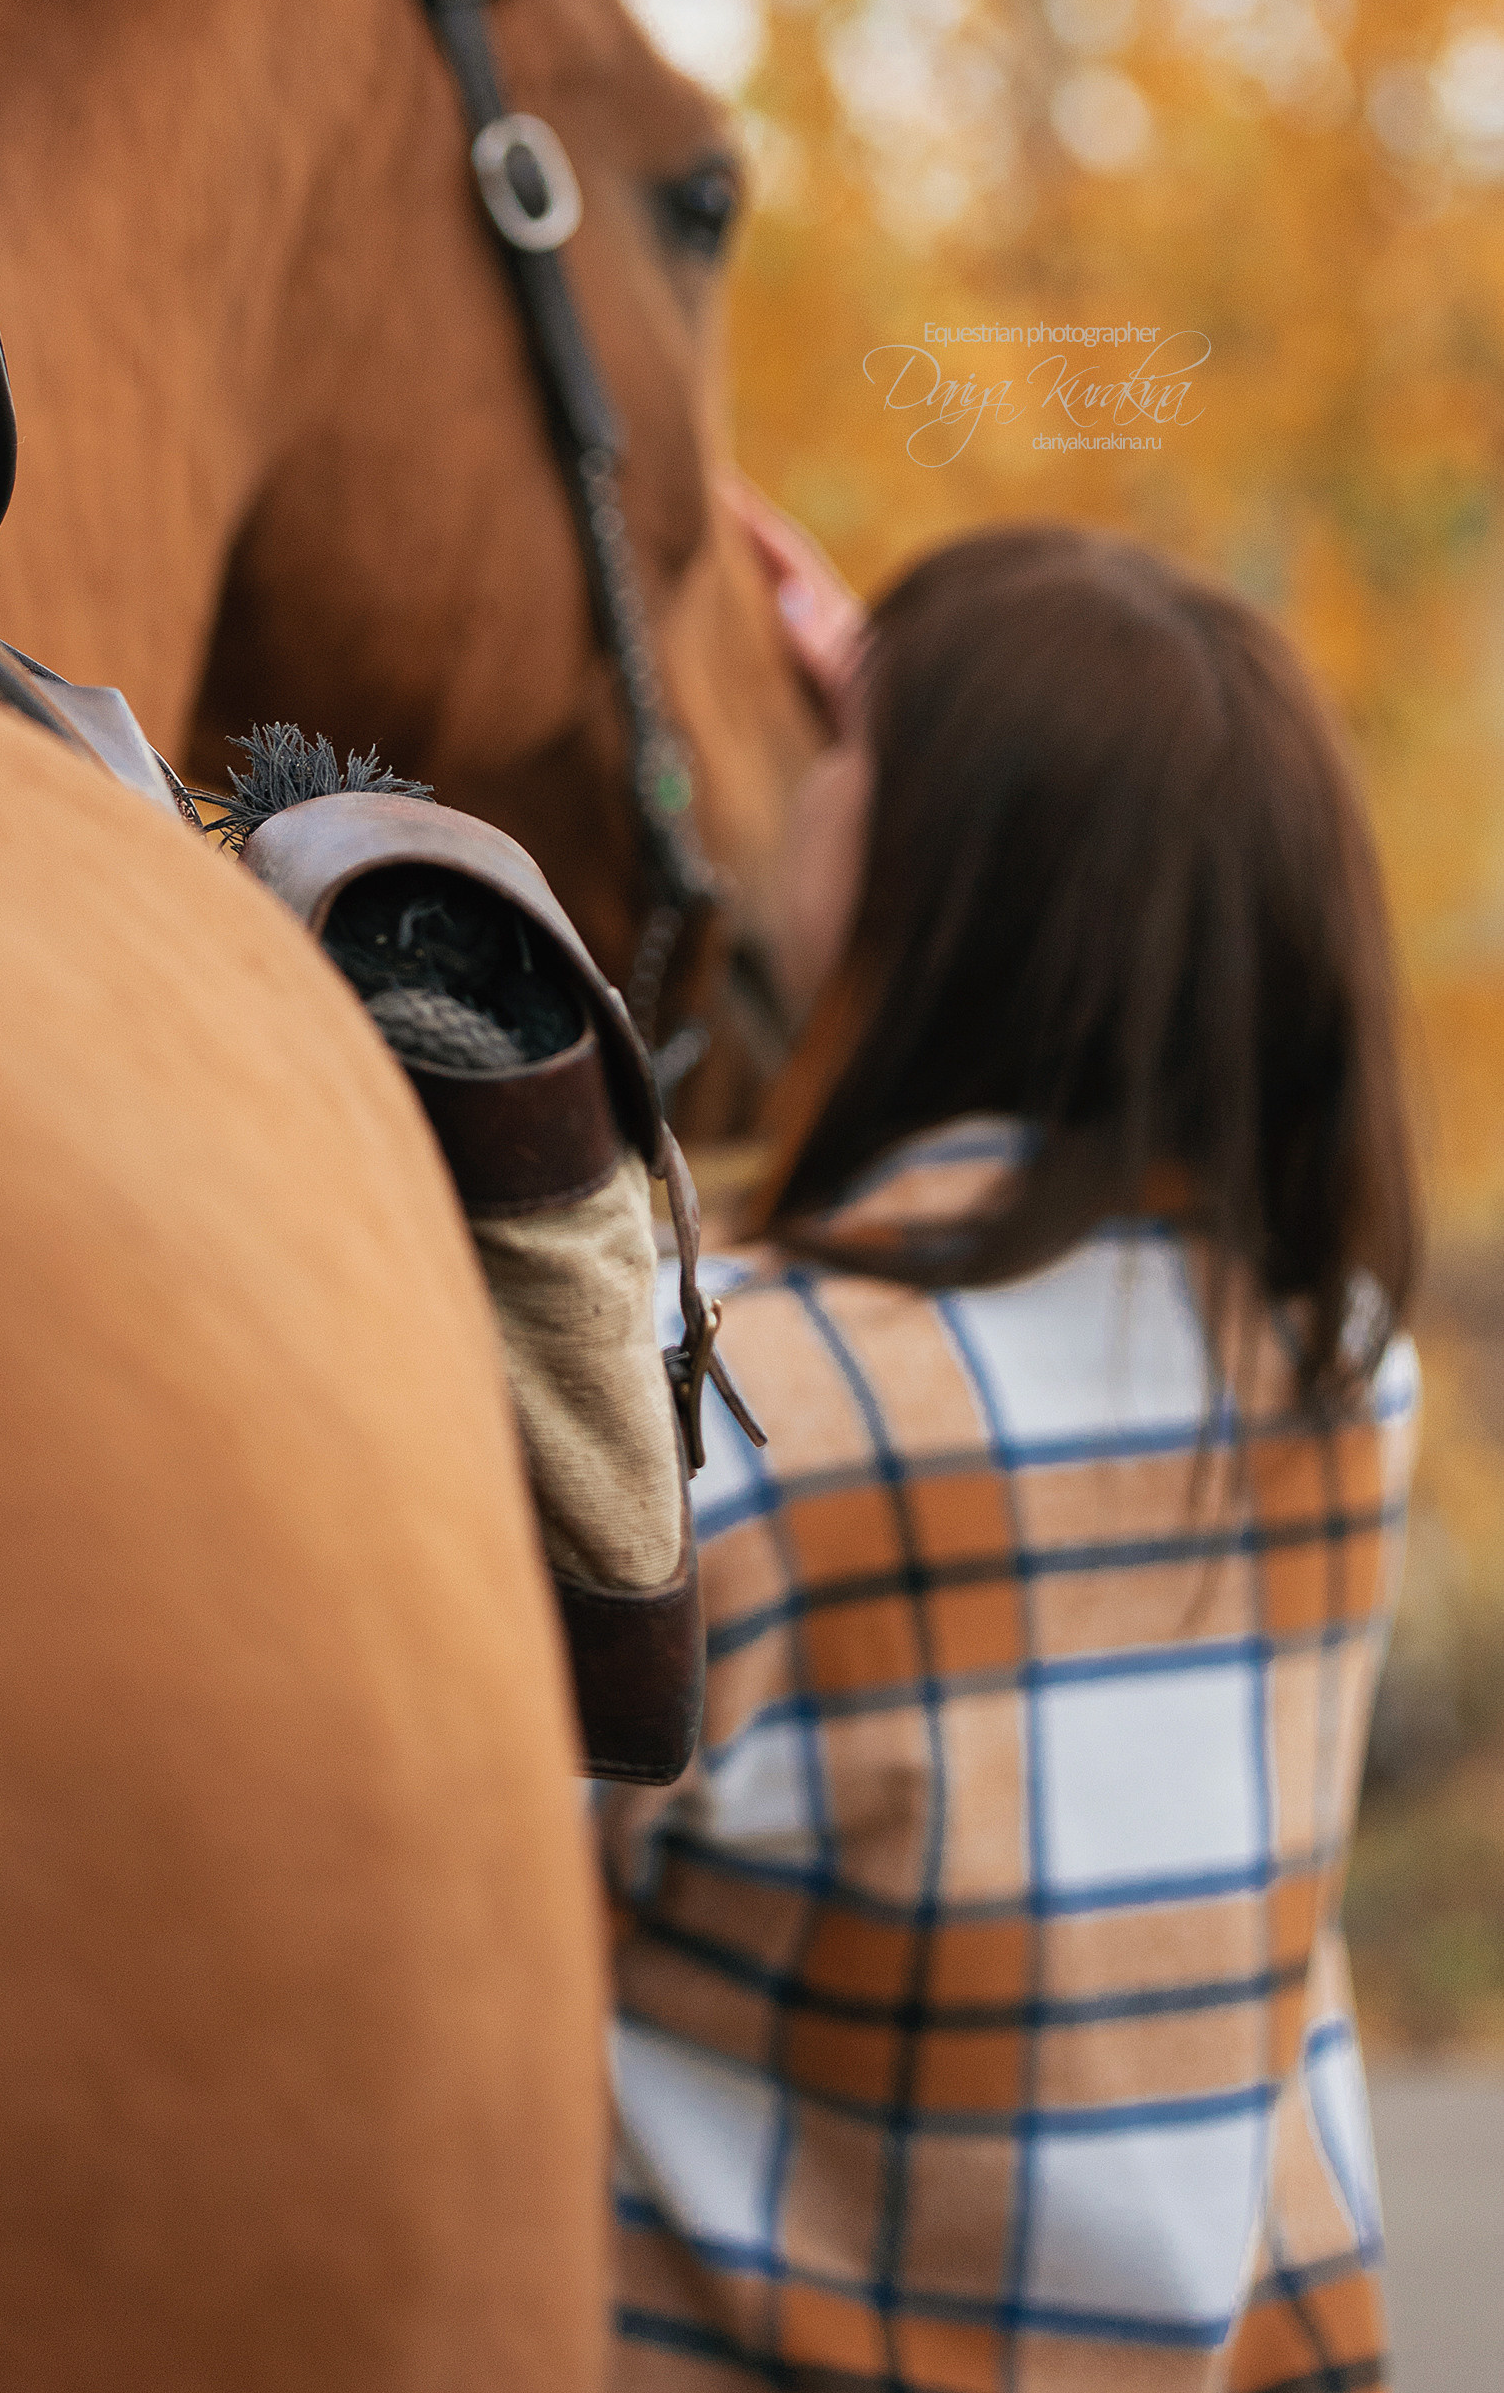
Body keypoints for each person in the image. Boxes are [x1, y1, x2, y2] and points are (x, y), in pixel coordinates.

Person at [602, 521, 1418, 2392]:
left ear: (938, 873)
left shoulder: (720, 1415)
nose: (794, 782)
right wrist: (959, 689)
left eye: (845, 755)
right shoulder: (1340, 1373)